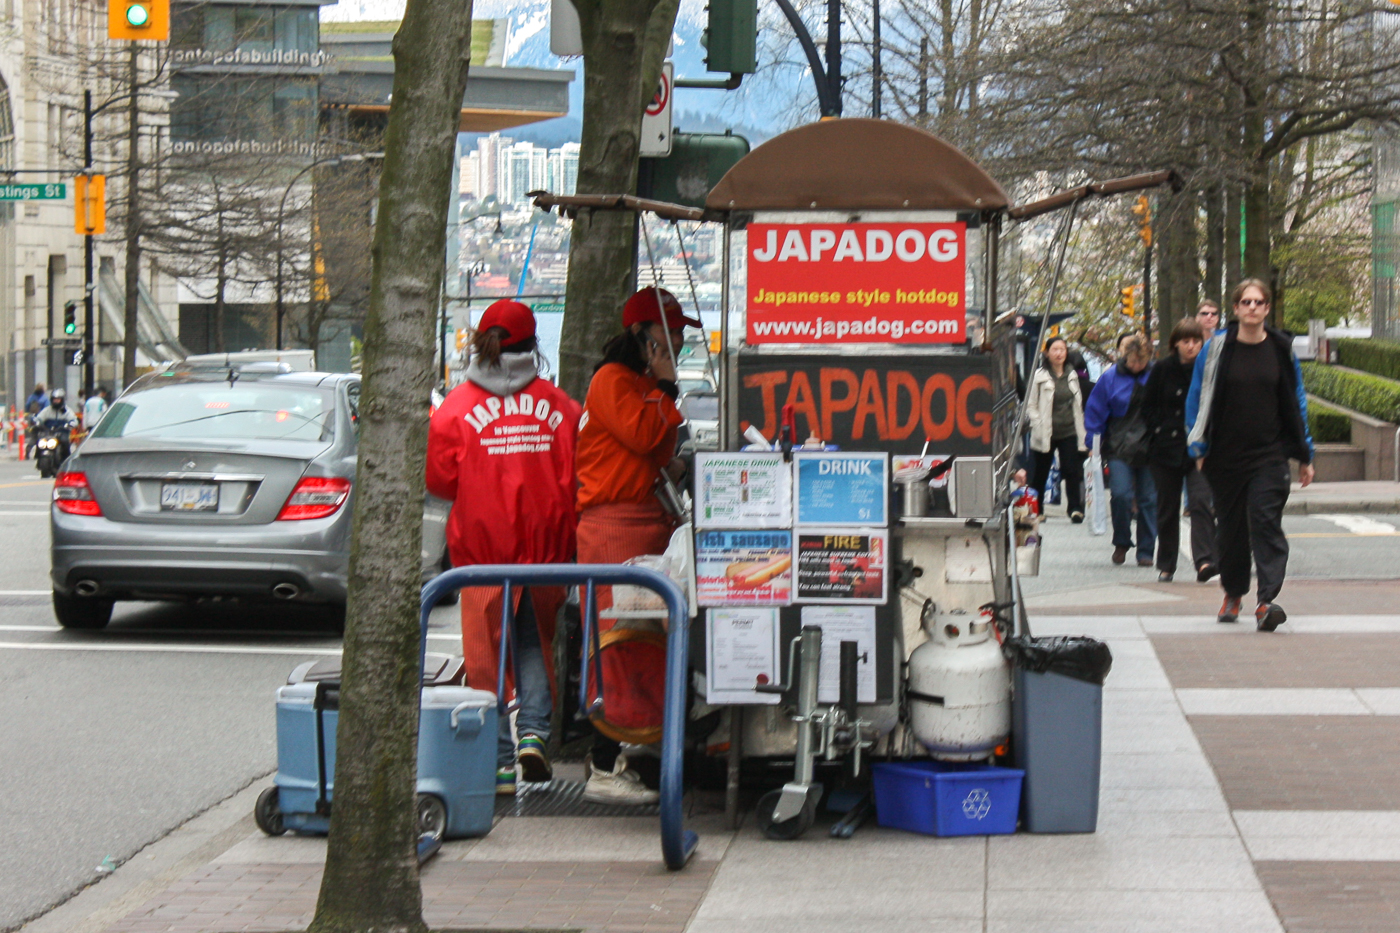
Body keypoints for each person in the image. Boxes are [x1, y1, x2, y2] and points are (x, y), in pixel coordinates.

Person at [425, 299, 582, 796]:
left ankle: (497, 764)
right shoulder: (561, 408)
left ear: (480, 344)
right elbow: (579, 477)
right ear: (533, 345)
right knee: (534, 643)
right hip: (545, 552)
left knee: (484, 656)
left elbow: (441, 482)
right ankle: (533, 734)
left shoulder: (454, 410)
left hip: (480, 554)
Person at [574, 285, 699, 805]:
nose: (675, 350)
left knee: (646, 643)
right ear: (643, 339)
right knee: (616, 647)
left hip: (646, 522)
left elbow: (656, 452)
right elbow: (647, 436)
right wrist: (668, 388)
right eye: (668, 339)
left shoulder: (639, 383)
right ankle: (601, 765)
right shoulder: (612, 381)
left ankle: (636, 745)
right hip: (613, 529)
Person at [1187, 279, 1315, 631]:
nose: (1253, 308)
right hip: (1225, 456)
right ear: (1236, 308)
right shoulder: (1215, 350)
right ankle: (1233, 593)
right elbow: (1198, 398)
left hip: (1270, 455)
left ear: (1267, 308)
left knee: (1264, 521)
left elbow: (1297, 402)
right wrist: (1198, 447)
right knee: (1230, 531)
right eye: (1246, 302)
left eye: (1259, 302)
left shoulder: (1281, 349)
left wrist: (1306, 454)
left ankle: (1266, 601)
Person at [1143, 318, 1217, 583]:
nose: (1191, 346)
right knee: (1167, 508)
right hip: (1165, 448)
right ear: (1175, 344)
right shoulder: (1163, 369)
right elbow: (1147, 405)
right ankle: (1166, 564)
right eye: (1185, 341)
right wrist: (1158, 429)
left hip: (1198, 448)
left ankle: (1205, 560)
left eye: (1196, 341)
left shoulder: (1208, 369)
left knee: (1200, 502)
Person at [1084, 332, 1157, 566]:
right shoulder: (1110, 378)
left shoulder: (1155, 376)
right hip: (1118, 444)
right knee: (1121, 494)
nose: (1137, 366)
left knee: (1148, 499)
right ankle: (1122, 540)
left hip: (1150, 444)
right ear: (1125, 358)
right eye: (1133, 361)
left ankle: (1146, 549)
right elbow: (1095, 412)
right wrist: (1092, 444)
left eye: (1141, 361)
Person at [1026, 336, 1088, 522]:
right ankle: (1037, 510)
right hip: (1046, 430)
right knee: (1041, 471)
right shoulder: (1040, 375)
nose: (1059, 353)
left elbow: (1078, 404)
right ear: (1047, 353)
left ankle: (1075, 508)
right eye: (1055, 349)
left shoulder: (1072, 374)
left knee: (1071, 469)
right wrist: (1037, 422)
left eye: (1062, 349)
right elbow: (1031, 404)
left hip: (1068, 429)